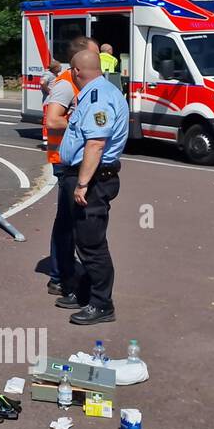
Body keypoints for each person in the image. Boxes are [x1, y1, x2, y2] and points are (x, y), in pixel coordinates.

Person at [54, 49, 129, 326]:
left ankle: (101, 304)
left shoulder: (98, 98)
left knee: (91, 242)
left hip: (93, 179)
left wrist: (83, 183)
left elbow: (95, 143)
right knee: (82, 239)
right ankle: (85, 292)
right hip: (87, 175)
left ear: (75, 72)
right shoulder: (98, 93)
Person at [41, 37, 99, 296]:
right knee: (67, 220)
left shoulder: (80, 84)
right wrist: (83, 124)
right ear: (80, 59)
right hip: (64, 160)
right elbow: (52, 121)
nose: (98, 62)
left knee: (70, 219)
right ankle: (59, 275)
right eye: (94, 56)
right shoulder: (66, 85)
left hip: (73, 158)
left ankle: (63, 272)